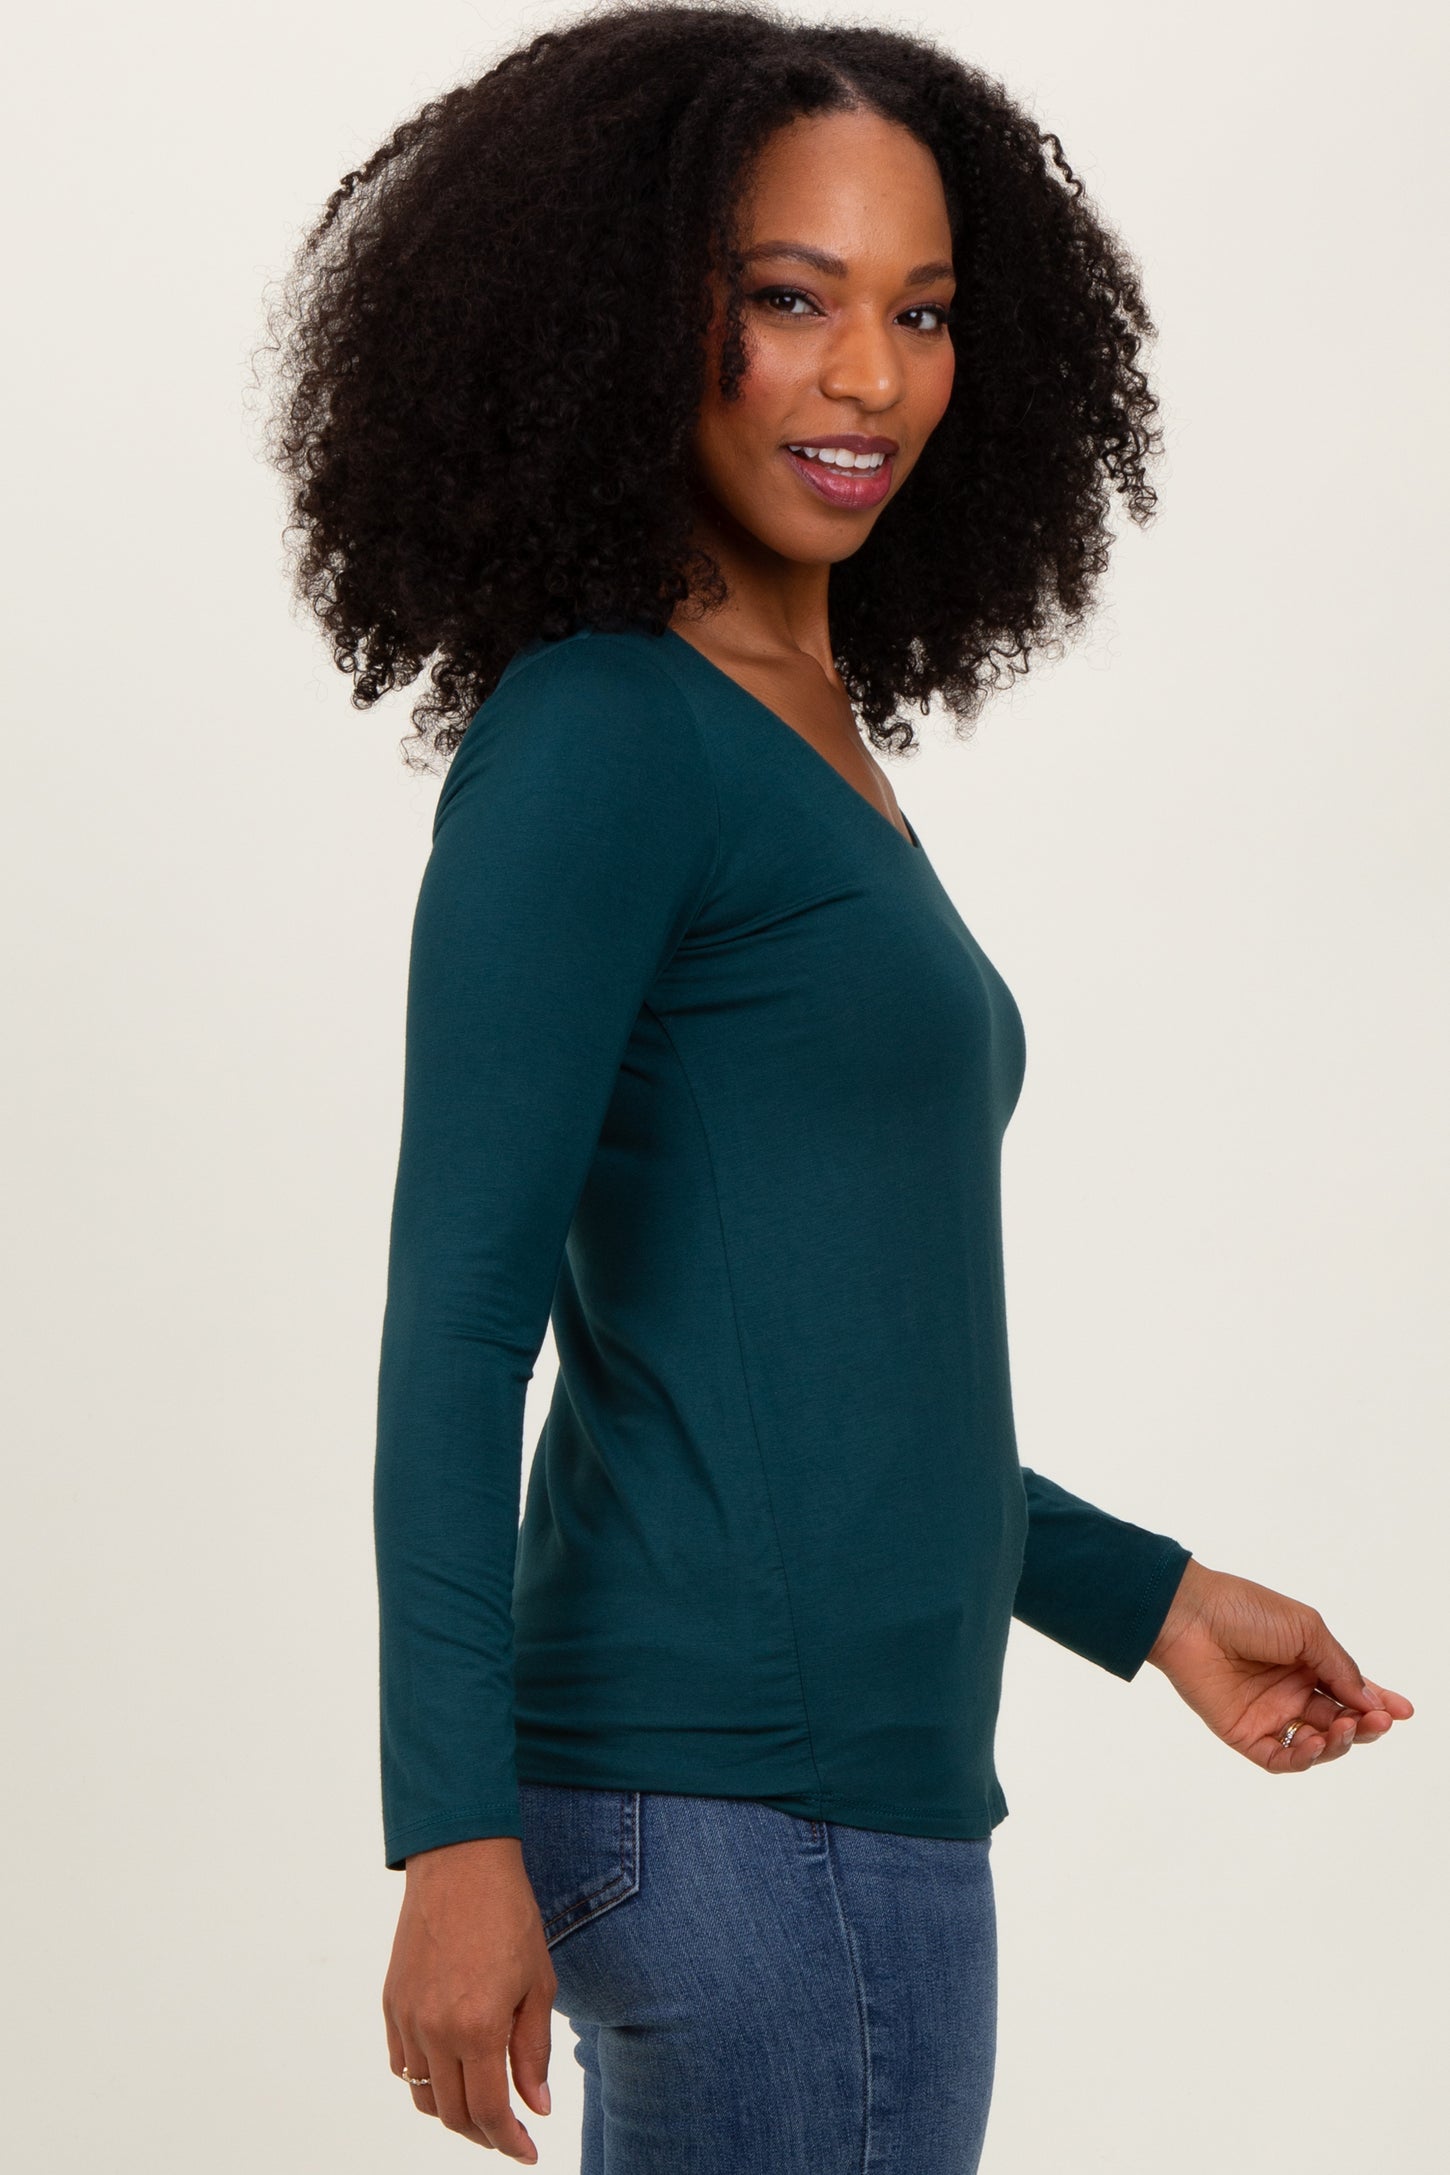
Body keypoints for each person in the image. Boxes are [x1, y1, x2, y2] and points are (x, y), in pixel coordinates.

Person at [263, 5, 1414, 2167]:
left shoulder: (797, 734)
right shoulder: (606, 731)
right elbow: (460, 1319)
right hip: (744, 1820)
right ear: (631, 315)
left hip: (804, 1807)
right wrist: (446, 1831)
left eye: (921, 310)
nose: (867, 375)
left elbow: (820, 1375)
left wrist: (1146, 1597)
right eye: (789, 299)